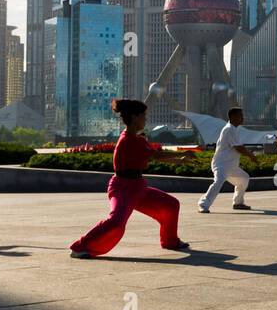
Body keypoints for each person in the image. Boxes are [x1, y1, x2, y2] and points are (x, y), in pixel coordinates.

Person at [71, 98, 189, 257]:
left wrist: (181, 159)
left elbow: (155, 156)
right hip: (122, 189)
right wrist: (182, 155)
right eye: (143, 116)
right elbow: (158, 155)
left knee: (171, 205)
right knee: (116, 221)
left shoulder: (137, 139)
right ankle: (80, 247)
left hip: (137, 188)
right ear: (134, 117)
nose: (145, 120)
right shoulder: (129, 140)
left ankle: (170, 241)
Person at [199, 106, 255, 212]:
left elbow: (238, 146)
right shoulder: (229, 129)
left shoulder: (232, 129)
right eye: (240, 115)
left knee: (243, 178)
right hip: (222, 165)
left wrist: (249, 155)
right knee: (218, 182)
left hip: (231, 166)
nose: (243, 118)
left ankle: (238, 203)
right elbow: (238, 147)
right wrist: (251, 156)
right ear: (233, 117)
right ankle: (203, 205)